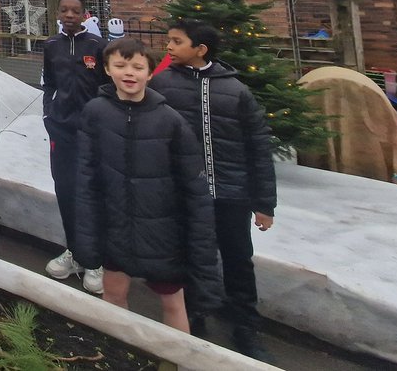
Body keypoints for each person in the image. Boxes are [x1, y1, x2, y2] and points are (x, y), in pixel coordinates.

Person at [73, 38, 221, 333]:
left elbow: (194, 187)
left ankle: (174, 361)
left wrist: (200, 242)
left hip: (162, 233)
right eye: (121, 65)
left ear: (150, 73)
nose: (130, 73)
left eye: (138, 67)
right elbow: (87, 178)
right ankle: (120, 354)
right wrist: (87, 237)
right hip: (116, 227)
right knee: (114, 295)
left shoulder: (171, 122)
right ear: (107, 69)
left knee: (173, 303)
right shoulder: (96, 113)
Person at [151, 20, 277, 360]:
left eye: (177, 41)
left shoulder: (235, 90)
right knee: (188, 253)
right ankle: (193, 313)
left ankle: (245, 327)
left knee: (237, 259)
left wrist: (264, 203)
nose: (169, 47)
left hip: (232, 193)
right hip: (185, 192)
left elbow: (258, 147)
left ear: (200, 49)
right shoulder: (162, 83)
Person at [42, 0, 106, 294]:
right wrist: (48, 116)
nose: (69, 15)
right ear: (58, 13)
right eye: (64, 10)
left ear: (84, 14)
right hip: (61, 132)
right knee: (65, 191)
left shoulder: (97, 46)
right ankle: (74, 252)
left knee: (89, 194)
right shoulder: (51, 46)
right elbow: (49, 84)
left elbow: (106, 88)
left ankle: (95, 259)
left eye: (75, 10)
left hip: (91, 135)